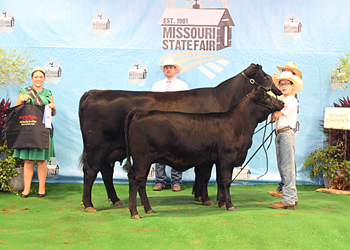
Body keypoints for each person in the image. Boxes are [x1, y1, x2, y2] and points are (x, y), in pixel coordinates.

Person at [14, 66, 57, 198]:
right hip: (28, 130)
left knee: (42, 160)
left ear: (44, 79)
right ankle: (26, 189)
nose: (38, 79)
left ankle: (41, 189)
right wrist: (21, 100)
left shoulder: (48, 93)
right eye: (36, 77)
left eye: (41, 77)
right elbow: (16, 110)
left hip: (43, 129)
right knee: (28, 160)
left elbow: (53, 113)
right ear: (32, 78)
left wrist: (53, 108)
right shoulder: (24, 91)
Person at [151, 58, 189, 192]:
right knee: (159, 150)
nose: (168, 70)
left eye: (171, 67)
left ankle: (176, 182)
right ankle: (160, 181)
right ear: (163, 70)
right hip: (160, 123)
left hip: (177, 123)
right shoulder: (157, 86)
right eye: (166, 67)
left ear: (175, 69)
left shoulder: (182, 86)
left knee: (177, 151)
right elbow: (152, 104)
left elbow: (186, 105)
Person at [269, 70, 303, 210]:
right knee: (284, 166)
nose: (283, 86)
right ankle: (292, 198)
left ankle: (288, 199)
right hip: (281, 133)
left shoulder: (290, 99)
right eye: (281, 84)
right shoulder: (284, 98)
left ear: (292, 85)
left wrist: (273, 114)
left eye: (286, 84)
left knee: (286, 167)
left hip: (286, 133)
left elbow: (277, 114)